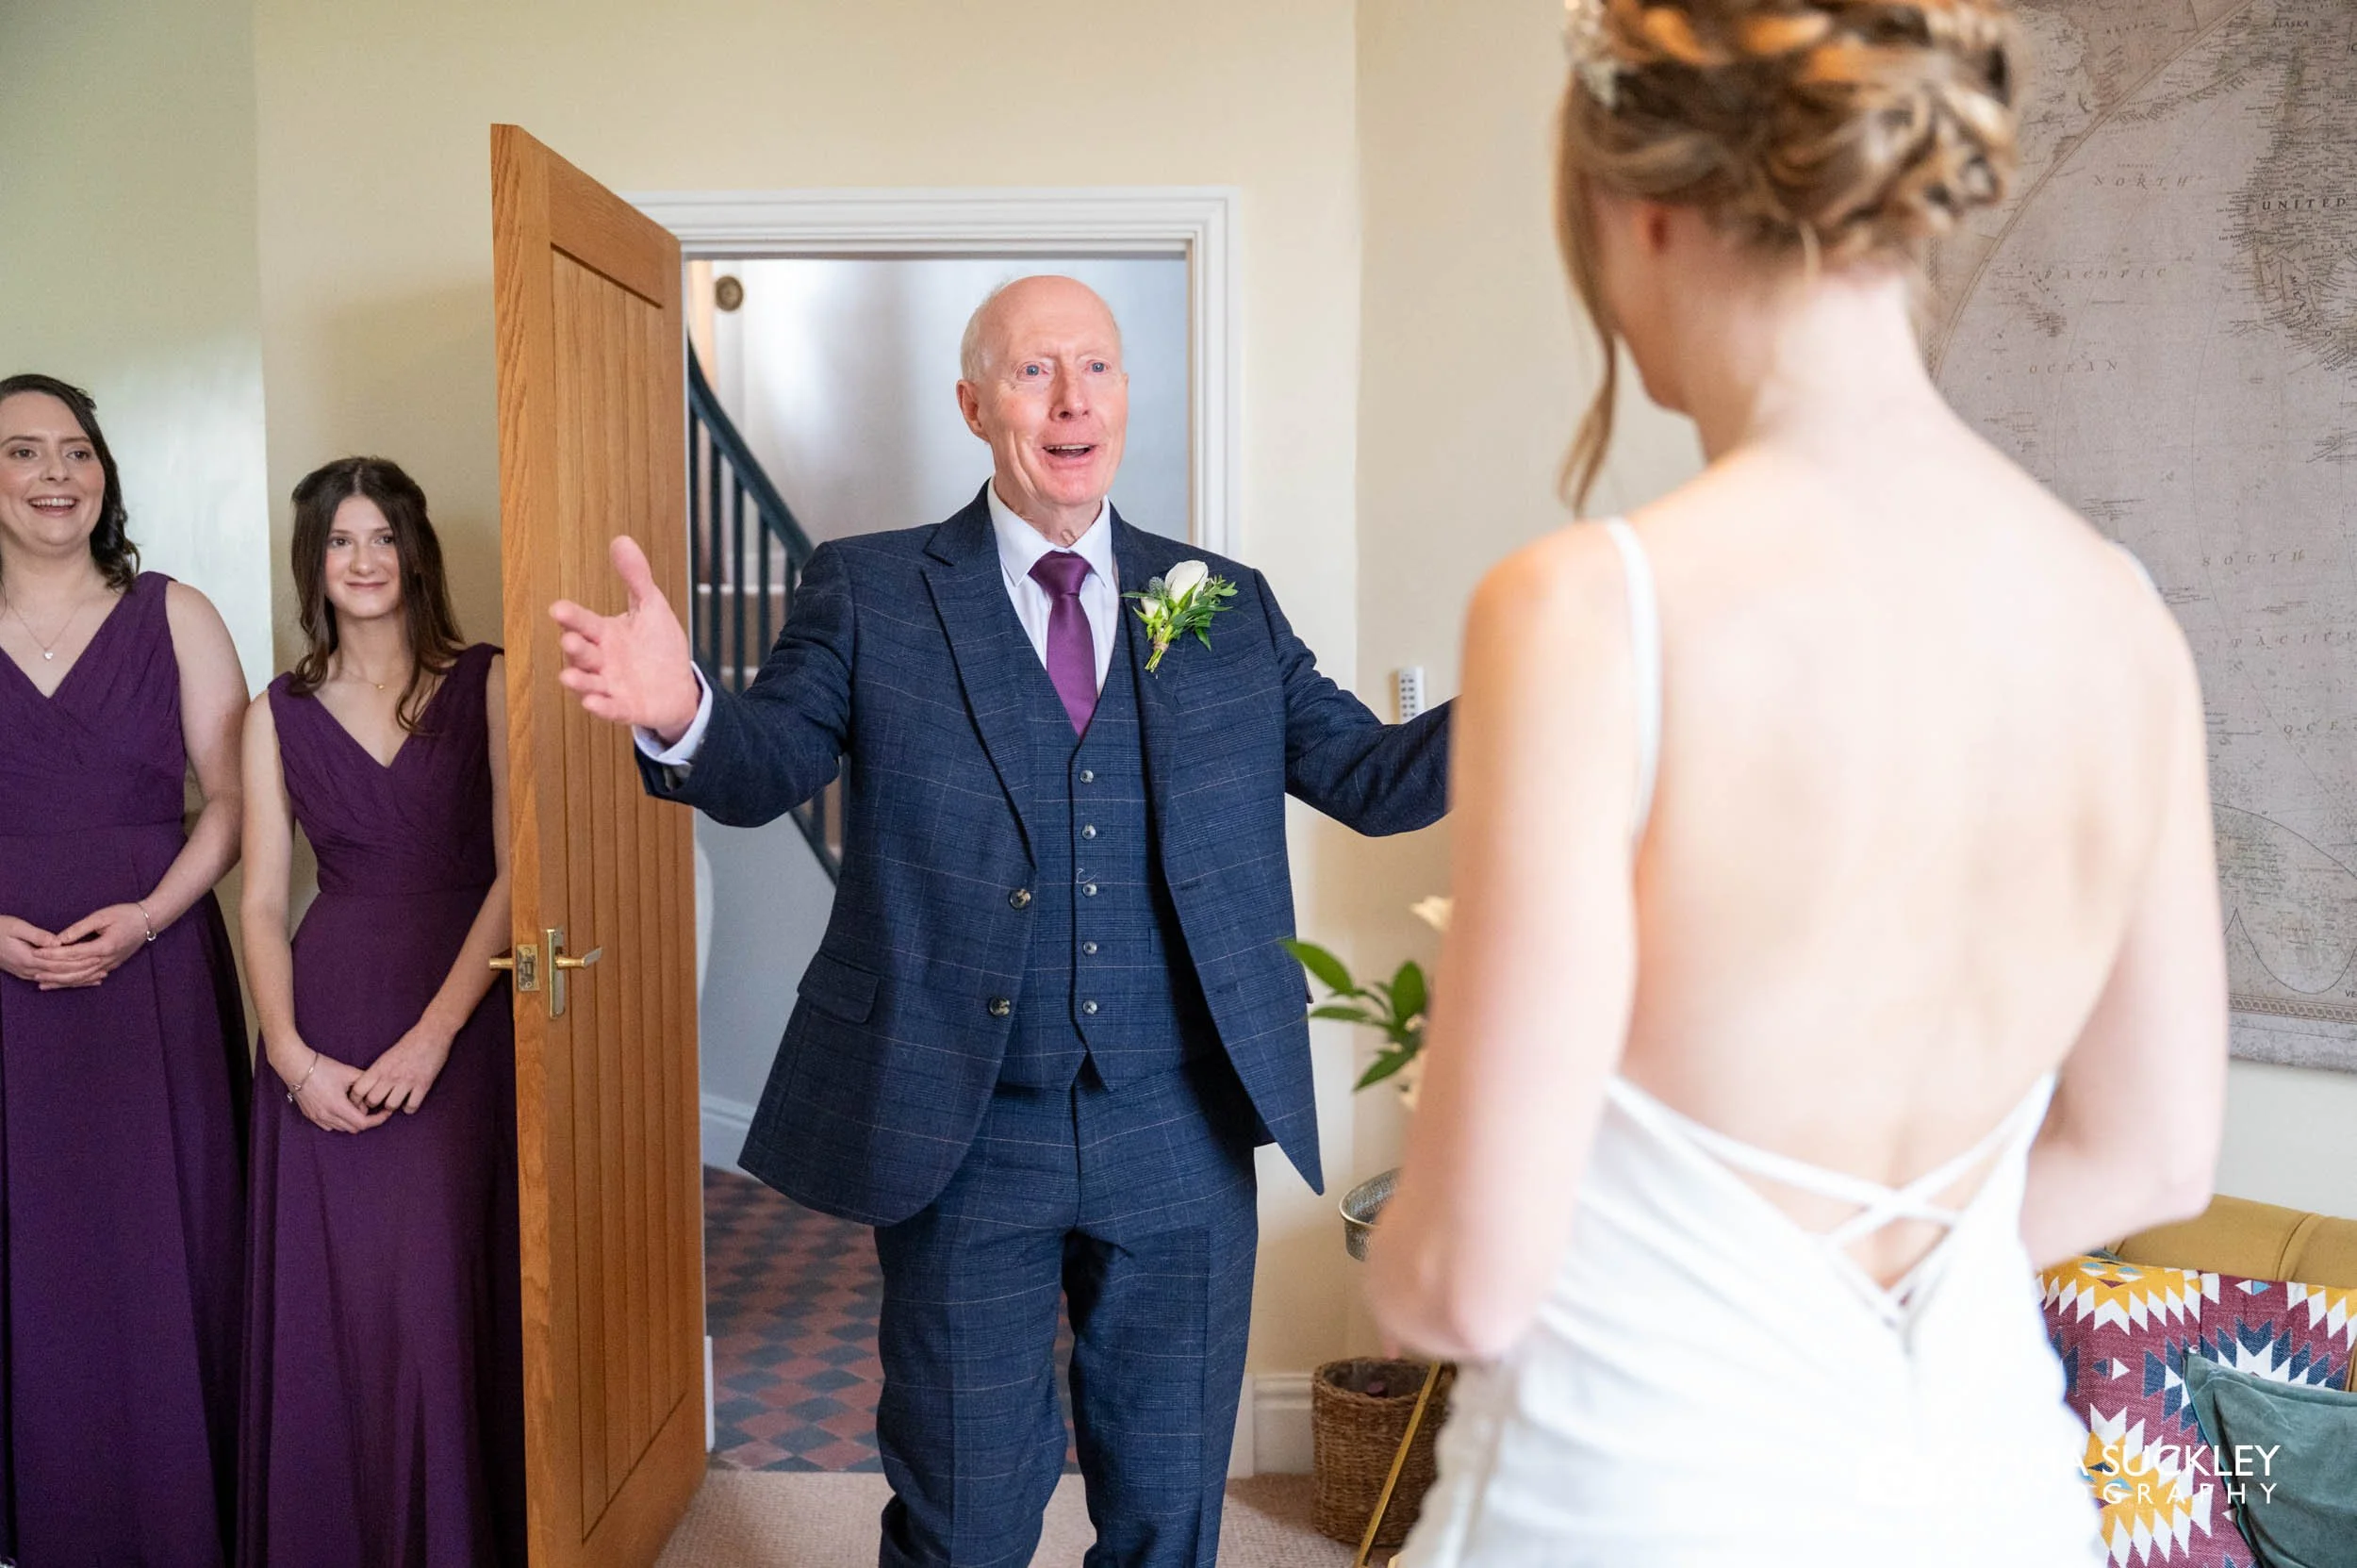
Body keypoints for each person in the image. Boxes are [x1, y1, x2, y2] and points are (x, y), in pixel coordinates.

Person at [1369, 2, 2228, 1562]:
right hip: (1992, 1497)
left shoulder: (1592, 606)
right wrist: (1851, 1300)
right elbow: (2159, 1147)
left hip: (1635, 1497)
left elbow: (1463, 1282)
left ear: (1645, 216)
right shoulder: (2121, 612)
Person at [552, 274, 1452, 1566]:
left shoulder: (1224, 603)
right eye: (1034, 372)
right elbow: (763, 765)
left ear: (1125, 395)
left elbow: (1368, 775)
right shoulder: (869, 590)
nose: (1072, 398)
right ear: (975, 403)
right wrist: (680, 704)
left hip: (1180, 1123)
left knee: (1168, 1506)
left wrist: (1550, 690)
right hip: (962, 1128)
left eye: (1097, 366)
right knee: (964, 1512)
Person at [237, 456, 524, 1564]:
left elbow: (515, 877)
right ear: (313, 562)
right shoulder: (277, 714)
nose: (363, 561)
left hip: (459, 1010)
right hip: (328, 1007)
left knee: (441, 1292)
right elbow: (261, 901)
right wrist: (292, 1056)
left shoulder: (487, 681)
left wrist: (436, 1031)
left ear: (415, 555)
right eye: (340, 541)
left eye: (382, 538)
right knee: (343, 1301)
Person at [0, 372, 251, 1562]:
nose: (57, 473)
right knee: (30, 1259)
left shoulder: (178, 614)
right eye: (23, 452)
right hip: (4, 988)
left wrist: (149, 918)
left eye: (77, 451)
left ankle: (184, 1516)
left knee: (173, 1246)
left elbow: (236, 802)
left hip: (156, 977)